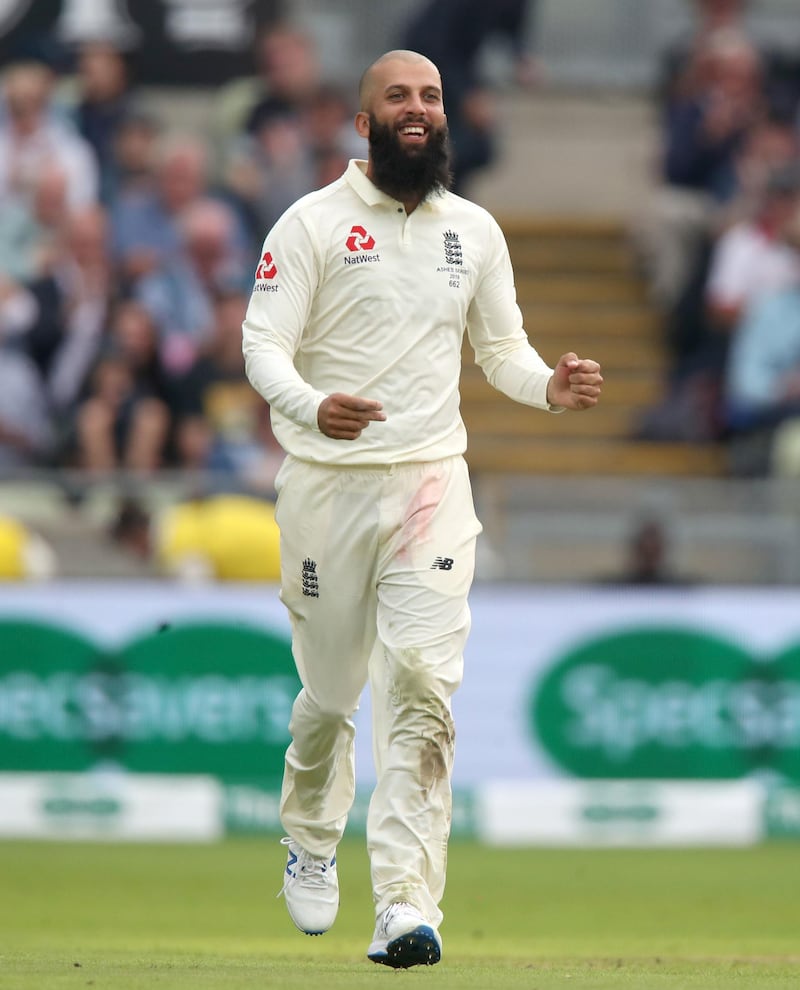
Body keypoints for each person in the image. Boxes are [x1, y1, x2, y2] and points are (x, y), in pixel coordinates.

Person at [241, 50, 602, 969]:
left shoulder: (473, 230)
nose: (418, 108)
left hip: (433, 485)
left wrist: (549, 389)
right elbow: (262, 346)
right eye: (398, 96)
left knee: (422, 694)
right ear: (363, 123)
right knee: (329, 699)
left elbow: (504, 351)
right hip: (327, 488)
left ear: (444, 118)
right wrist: (311, 405)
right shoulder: (311, 223)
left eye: (431, 96)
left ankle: (405, 904)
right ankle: (311, 839)